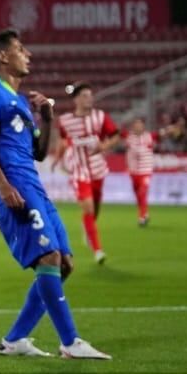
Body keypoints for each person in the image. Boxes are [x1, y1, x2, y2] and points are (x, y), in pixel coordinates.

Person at [0, 29, 110, 360]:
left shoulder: (20, 101)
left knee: (64, 264)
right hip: (14, 188)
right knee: (48, 259)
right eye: (20, 49)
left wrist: (46, 119)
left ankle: (15, 339)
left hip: (35, 187)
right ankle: (70, 342)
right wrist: (2, 185)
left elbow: (40, 152)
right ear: (3, 57)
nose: (27, 54)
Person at [54, 82, 120, 264]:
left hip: (98, 169)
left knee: (95, 208)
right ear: (76, 99)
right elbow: (62, 140)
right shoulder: (65, 120)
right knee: (89, 207)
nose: (89, 98)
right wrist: (57, 159)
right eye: (84, 95)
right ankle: (98, 250)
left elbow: (116, 135)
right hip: (78, 170)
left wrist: (104, 146)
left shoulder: (100, 117)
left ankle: (88, 227)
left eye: (90, 95)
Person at [123, 118, 157, 226]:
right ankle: (145, 213)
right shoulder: (129, 137)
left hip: (146, 170)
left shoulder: (149, 136)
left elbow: (163, 133)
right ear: (133, 126)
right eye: (136, 124)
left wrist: (174, 128)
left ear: (143, 126)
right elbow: (116, 132)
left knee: (143, 191)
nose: (138, 126)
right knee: (138, 194)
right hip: (133, 172)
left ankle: (142, 217)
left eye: (140, 125)